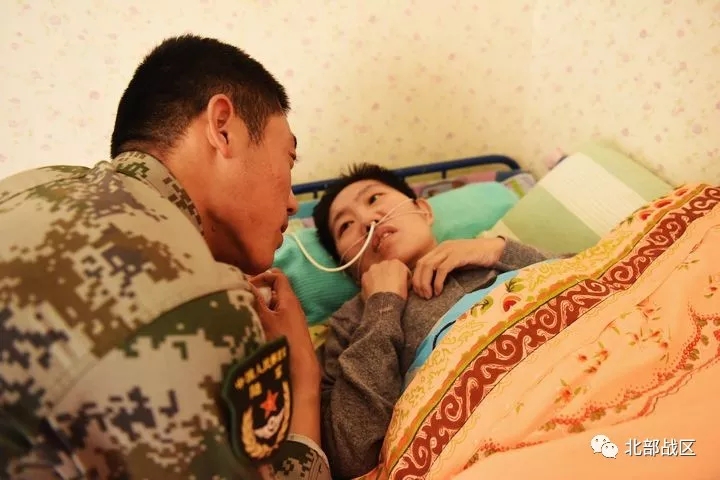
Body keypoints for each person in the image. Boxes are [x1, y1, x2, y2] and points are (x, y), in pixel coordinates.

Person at [0, 35, 330, 480]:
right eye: (289, 159)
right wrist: (303, 380)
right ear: (223, 127)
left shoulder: (33, 184)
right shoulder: (201, 304)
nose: (292, 202)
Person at [312, 163, 555, 479]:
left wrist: (498, 250)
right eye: (345, 226)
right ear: (347, 268)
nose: (368, 221)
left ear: (423, 210)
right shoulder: (351, 321)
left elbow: (594, 278)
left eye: (374, 199)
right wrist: (382, 307)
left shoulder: (490, 252)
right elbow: (351, 456)